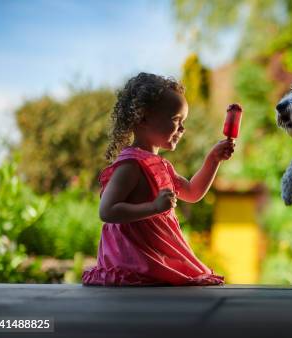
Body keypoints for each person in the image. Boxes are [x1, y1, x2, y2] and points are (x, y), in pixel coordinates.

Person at [82, 72, 234, 286]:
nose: (182, 128)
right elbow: (107, 211)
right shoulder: (131, 164)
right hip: (134, 261)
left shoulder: (161, 165)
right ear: (143, 117)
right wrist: (153, 207)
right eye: (176, 119)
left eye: (184, 121)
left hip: (157, 257)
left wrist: (213, 159)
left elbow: (192, 192)